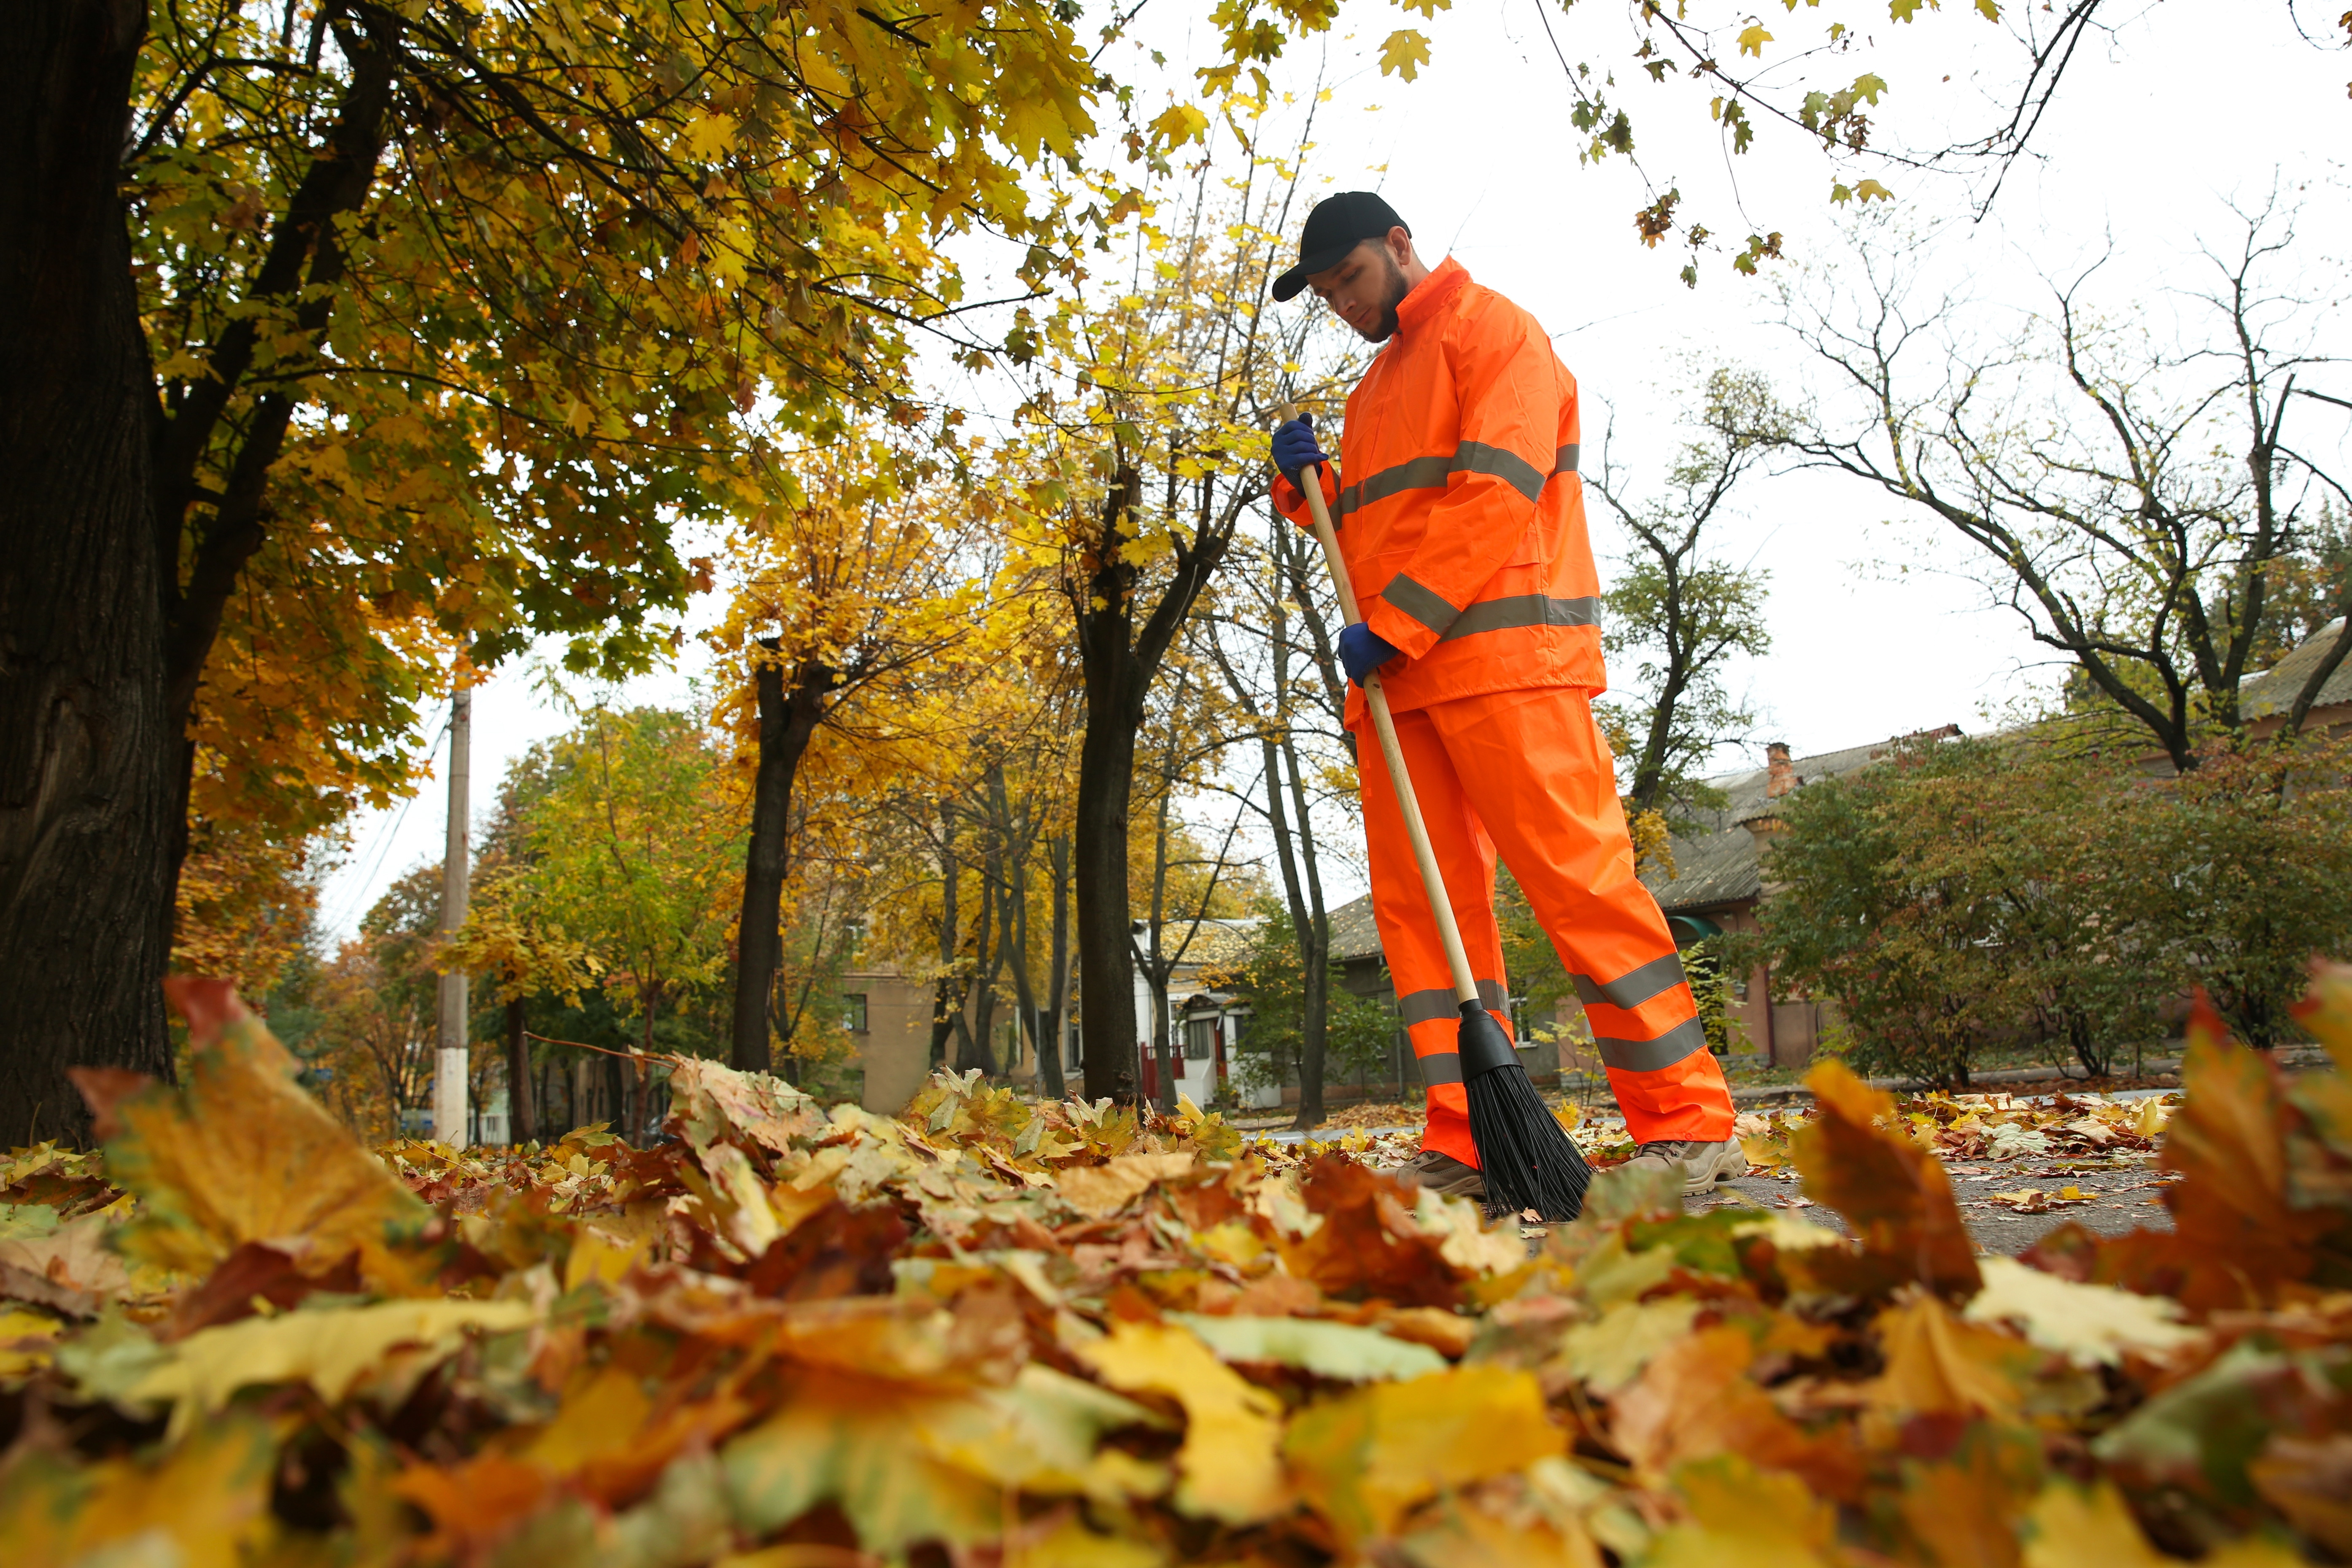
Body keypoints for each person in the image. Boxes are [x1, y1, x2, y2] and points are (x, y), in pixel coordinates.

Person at [1267, 192, 1743, 1199]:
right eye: (1323, 294)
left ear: (1399, 245)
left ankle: (1687, 1120)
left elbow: (1495, 492)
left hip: (1504, 663)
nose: (1342, 304)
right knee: (1423, 919)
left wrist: (1390, 625)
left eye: (1347, 277)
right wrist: (1307, 490)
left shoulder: (1495, 332)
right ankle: (1471, 1136)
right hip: (1399, 685)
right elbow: (1372, 538)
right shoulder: (1373, 388)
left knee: (1579, 883)